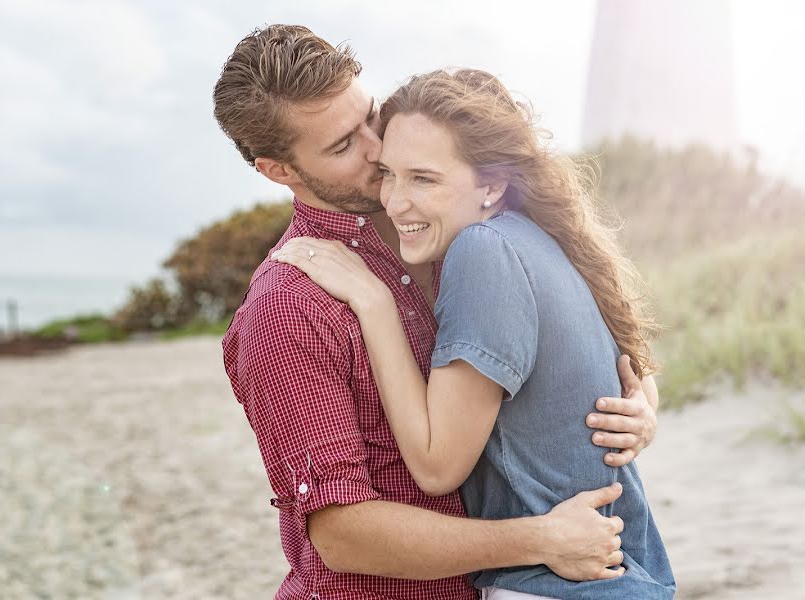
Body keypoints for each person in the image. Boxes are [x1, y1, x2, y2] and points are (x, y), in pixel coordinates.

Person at [216, 25, 662, 600]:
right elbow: (343, 535)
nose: (378, 151)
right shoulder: (288, 308)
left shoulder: (459, 229)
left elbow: (578, 324)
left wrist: (640, 402)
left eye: (370, 116)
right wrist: (539, 540)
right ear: (279, 170)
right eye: (342, 146)